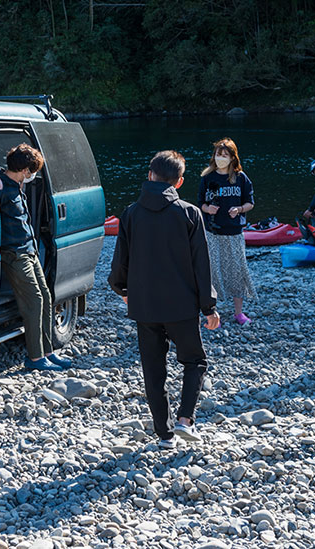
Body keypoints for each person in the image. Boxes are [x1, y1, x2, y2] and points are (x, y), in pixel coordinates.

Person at [108, 150, 220, 449]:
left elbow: (121, 261)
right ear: (179, 182)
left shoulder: (131, 212)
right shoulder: (189, 213)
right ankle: (185, 420)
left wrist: (122, 290)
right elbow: (201, 264)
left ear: (149, 175)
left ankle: (165, 435)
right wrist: (208, 306)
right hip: (181, 304)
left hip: (144, 305)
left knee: (153, 369)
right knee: (194, 361)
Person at [0, 144, 70, 372]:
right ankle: (35, 358)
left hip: (30, 249)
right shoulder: (1, 188)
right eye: (32, 170)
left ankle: (48, 352)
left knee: (46, 297)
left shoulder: (15, 185)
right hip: (15, 253)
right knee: (34, 300)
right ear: (25, 169)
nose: (32, 175)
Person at [197, 138, 256, 325]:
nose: (220, 158)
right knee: (213, 270)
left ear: (232, 157)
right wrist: (207, 209)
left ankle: (238, 312)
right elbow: (200, 203)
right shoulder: (207, 178)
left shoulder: (241, 178)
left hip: (234, 232)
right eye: (218, 155)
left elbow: (250, 203)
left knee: (237, 271)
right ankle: (213, 312)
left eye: (224, 155)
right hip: (212, 231)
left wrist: (238, 209)